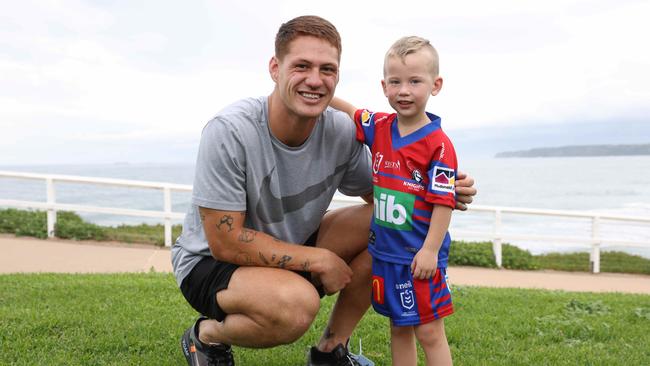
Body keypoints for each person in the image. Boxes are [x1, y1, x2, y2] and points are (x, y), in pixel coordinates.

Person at [171, 16, 476, 366]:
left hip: (292, 246)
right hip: (211, 261)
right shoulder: (230, 131)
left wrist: (442, 191)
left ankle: (329, 352)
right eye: (302, 66)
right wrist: (319, 259)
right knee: (297, 306)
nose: (315, 80)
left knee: (388, 225)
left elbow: (386, 196)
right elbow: (225, 241)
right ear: (275, 68)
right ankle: (206, 336)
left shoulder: (340, 132)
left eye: (327, 69)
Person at [329, 36, 457, 365]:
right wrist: (324, 94)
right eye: (395, 81)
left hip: (419, 258)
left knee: (429, 332)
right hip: (385, 255)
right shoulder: (381, 127)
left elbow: (444, 203)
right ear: (384, 86)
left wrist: (429, 250)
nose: (404, 90)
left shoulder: (439, 146)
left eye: (415, 81)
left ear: (435, 85)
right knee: (399, 327)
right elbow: (353, 112)